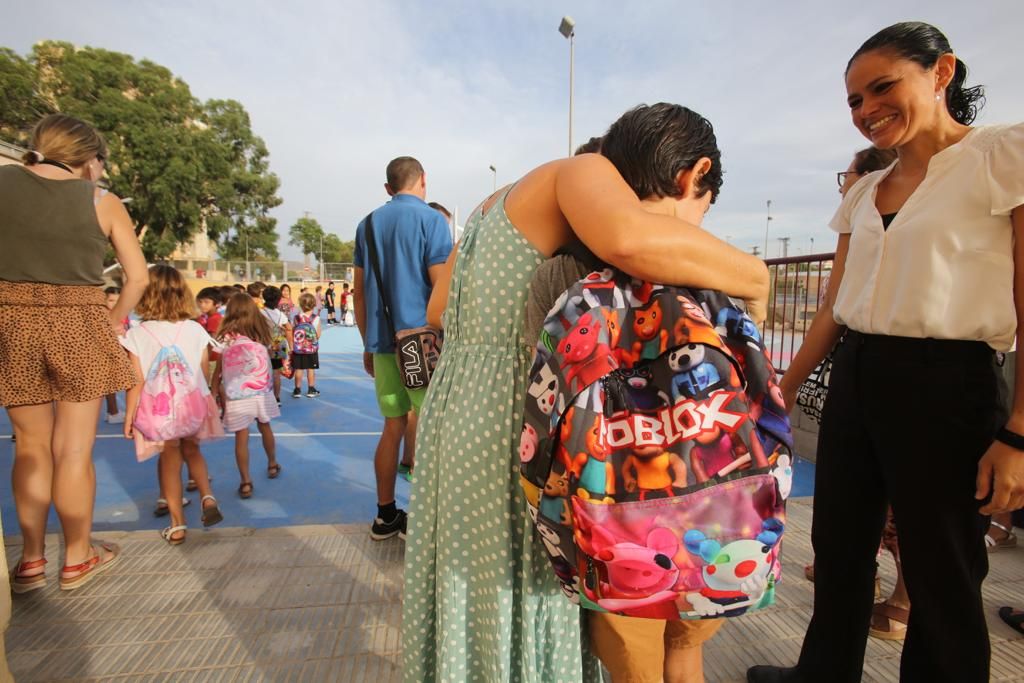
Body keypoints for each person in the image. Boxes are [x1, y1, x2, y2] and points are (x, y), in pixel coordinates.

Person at [402, 104, 769, 683]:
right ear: (688, 177)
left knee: (480, 598)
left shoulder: (490, 207)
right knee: (530, 598)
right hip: (515, 410)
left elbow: (436, 308)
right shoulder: (581, 170)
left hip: (460, 405)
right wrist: (757, 279)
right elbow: (628, 237)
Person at [748, 21, 1024, 683]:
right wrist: (777, 395)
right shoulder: (866, 191)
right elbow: (833, 308)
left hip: (949, 382)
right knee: (840, 546)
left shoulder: (1002, 154)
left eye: (881, 87)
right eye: (853, 100)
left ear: (941, 72)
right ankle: (822, 673)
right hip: (859, 376)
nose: (866, 109)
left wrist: (1018, 433)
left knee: (943, 567)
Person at [521, 108, 732, 683]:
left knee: (631, 661)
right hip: (715, 505)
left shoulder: (563, 272)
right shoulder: (719, 268)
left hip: (615, 512)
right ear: (697, 175)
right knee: (687, 650)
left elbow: (543, 395)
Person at [1, 113, 148, 591]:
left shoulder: (4, 183)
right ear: (87, 159)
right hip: (79, 323)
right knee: (73, 450)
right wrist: (109, 322)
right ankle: (77, 556)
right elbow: (138, 278)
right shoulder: (100, 201)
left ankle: (32, 560)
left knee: (30, 448)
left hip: (12, 321)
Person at [353, 156, 453, 541]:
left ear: (388, 188)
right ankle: (430, 521)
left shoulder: (368, 225)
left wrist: (368, 343)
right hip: (424, 344)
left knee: (392, 426)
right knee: (431, 430)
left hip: (382, 342)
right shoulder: (432, 221)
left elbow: (360, 294)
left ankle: (385, 515)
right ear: (423, 181)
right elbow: (440, 289)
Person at [121, 266, 224, 544]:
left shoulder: (138, 334)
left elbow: (137, 381)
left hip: (161, 410)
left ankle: (177, 524)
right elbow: (203, 371)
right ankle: (207, 495)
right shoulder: (195, 329)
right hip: (192, 403)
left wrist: (129, 415)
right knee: (193, 450)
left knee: (169, 458)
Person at [212, 292, 282, 498]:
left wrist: (214, 389)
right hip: (260, 390)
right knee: (265, 426)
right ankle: (272, 463)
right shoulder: (260, 332)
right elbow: (269, 355)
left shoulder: (226, 337)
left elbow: (219, 368)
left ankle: (245, 481)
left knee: (241, 437)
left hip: (236, 393)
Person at [261, 286, 291, 405]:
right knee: (276, 373)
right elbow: (289, 328)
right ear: (278, 300)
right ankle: (277, 397)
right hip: (278, 345)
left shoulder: (260, 313)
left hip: (263, 345)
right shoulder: (280, 314)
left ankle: (264, 397)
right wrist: (290, 346)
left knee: (263, 372)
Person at [103, 286, 127, 424]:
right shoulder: (103, 314)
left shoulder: (121, 314)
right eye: (111, 300)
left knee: (111, 383)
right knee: (110, 382)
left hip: (118, 349)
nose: (114, 304)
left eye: (118, 301)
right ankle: (113, 412)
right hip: (108, 351)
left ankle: (111, 411)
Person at [290, 292, 322, 398]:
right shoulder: (316, 318)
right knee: (310, 369)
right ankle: (311, 389)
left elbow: (293, 332)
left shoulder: (296, 318)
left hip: (298, 348)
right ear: (313, 305)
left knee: (298, 369)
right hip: (311, 349)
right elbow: (318, 335)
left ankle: (297, 389)